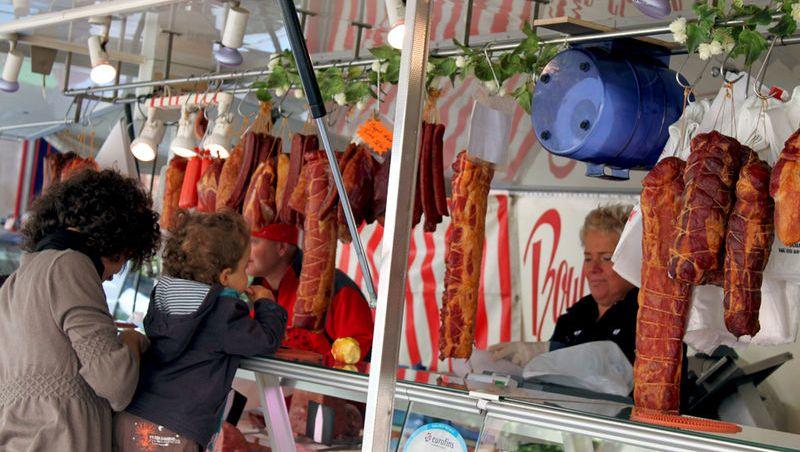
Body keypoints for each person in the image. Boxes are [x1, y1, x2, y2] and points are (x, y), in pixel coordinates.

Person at [0, 169, 160, 451]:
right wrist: (132, 341)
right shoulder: (72, 266)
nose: (113, 275)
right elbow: (116, 386)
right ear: (119, 237)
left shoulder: (16, 281)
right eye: (126, 258)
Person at [115, 211, 287, 451]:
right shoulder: (222, 312)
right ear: (225, 276)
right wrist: (266, 304)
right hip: (175, 429)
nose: (247, 275)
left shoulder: (164, 299)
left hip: (131, 418)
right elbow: (265, 340)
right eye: (244, 267)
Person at [491, 204, 638, 365]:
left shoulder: (647, 316)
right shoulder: (577, 314)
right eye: (588, 258)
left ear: (631, 260)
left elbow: (617, 370)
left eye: (606, 258)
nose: (594, 269)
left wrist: (549, 352)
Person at [247, 223, 374, 360]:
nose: (243, 250)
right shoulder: (250, 292)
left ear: (281, 247)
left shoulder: (337, 290)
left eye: (253, 241)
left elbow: (357, 359)